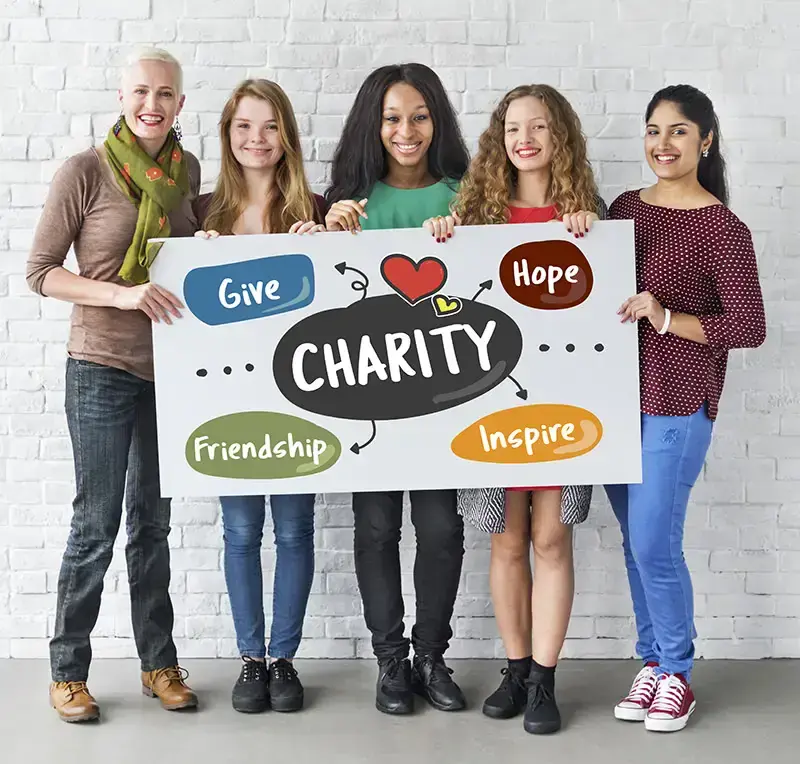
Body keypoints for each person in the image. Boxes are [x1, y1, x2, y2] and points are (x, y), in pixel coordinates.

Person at [26, 47, 200, 723]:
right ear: (122, 98)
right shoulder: (86, 171)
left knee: (151, 526)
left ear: (180, 104)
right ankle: (68, 672)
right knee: (95, 525)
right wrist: (123, 298)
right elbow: (41, 272)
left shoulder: (187, 177)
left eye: (164, 94)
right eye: (140, 93)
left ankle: (159, 663)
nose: (151, 104)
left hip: (172, 375)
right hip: (100, 365)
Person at [430, 84, 604, 735]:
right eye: (512, 129)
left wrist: (592, 235)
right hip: (493, 405)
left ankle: (546, 681)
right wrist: (443, 236)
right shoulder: (476, 216)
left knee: (551, 538)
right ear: (498, 142)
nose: (524, 138)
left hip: (565, 405)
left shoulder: (589, 214)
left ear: (561, 136)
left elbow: (608, 304)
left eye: (538, 127)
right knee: (505, 538)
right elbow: (449, 296)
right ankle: (516, 667)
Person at [606, 84, 766, 733]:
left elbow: (748, 326)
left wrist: (667, 316)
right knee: (633, 543)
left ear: (706, 140)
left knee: (654, 541)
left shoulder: (722, 227)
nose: (662, 144)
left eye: (677, 131)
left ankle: (677, 673)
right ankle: (651, 660)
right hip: (614, 399)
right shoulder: (621, 209)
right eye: (653, 130)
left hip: (677, 401)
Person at [324, 63, 470, 715]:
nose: (405, 130)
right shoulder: (348, 204)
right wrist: (325, 239)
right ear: (371, 126)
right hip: (372, 402)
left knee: (440, 531)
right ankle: (390, 664)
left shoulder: (465, 196)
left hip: (445, 402)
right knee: (377, 528)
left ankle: (430, 656)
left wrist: (464, 234)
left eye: (418, 115)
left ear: (436, 120)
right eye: (391, 118)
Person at [193, 78, 326, 715]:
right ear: (228, 136)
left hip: (300, 399)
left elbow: (339, 304)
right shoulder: (202, 213)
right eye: (244, 127)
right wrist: (197, 260)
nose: (257, 139)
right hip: (229, 402)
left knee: (295, 531)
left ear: (287, 136)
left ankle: (284, 659)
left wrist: (323, 245)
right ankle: (251, 660)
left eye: (270, 126)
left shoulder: (315, 209)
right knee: (242, 533)